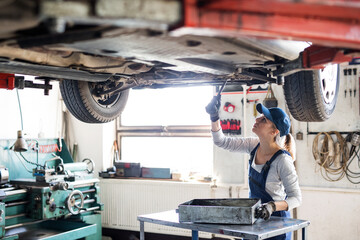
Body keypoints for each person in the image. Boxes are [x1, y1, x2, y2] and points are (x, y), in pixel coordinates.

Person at [206, 96, 302, 240]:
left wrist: (271, 206)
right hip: (255, 221)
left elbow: (296, 198)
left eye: (264, 120)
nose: (257, 120)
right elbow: (221, 141)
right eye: (260, 117)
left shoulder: (283, 160)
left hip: (277, 225)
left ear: (274, 131)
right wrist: (214, 117)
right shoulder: (253, 146)